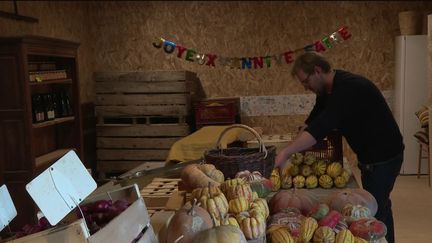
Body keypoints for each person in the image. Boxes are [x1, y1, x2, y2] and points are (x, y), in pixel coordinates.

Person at [275, 52, 404, 243]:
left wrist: (287, 151)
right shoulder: (328, 90)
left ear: (317, 71)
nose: (305, 87)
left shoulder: (347, 88)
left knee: (372, 211)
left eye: (305, 81)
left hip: (384, 157)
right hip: (371, 156)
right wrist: (303, 130)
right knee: (379, 205)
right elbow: (316, 117)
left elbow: (322, 125)